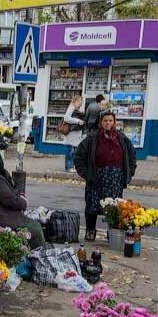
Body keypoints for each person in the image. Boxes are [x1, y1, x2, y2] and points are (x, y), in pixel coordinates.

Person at [74, 110, 137, 242]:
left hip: (115, 178)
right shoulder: (92, 138)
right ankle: (91, 230)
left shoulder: (122, 138)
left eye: (110, 121)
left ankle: (112, 232)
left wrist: (129, 173)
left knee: (114, 207)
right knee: (92, 204)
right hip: (97, 177)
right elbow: (79, 156)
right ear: (101, 122)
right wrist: (86, 174)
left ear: (114, 122)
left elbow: (132, 156)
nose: (108, 123)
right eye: (105, 121)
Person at [0, 148, 45, 249]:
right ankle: (37, 256)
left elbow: (7, 195)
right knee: (35, 229)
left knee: (34, 224)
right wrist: (23, 202)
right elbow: (10, 200)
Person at [62, 95, 86, 172]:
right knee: (70, 151)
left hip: (74, 134)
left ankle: (71, 166)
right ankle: (69, 167)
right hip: (71, 134)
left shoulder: (75, 109)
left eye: (81, 102)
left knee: (73, 151)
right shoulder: (71, 108)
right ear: (75, 101)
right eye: (79, 102)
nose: (80, 103)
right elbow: (66, 118)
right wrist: (78, 121)